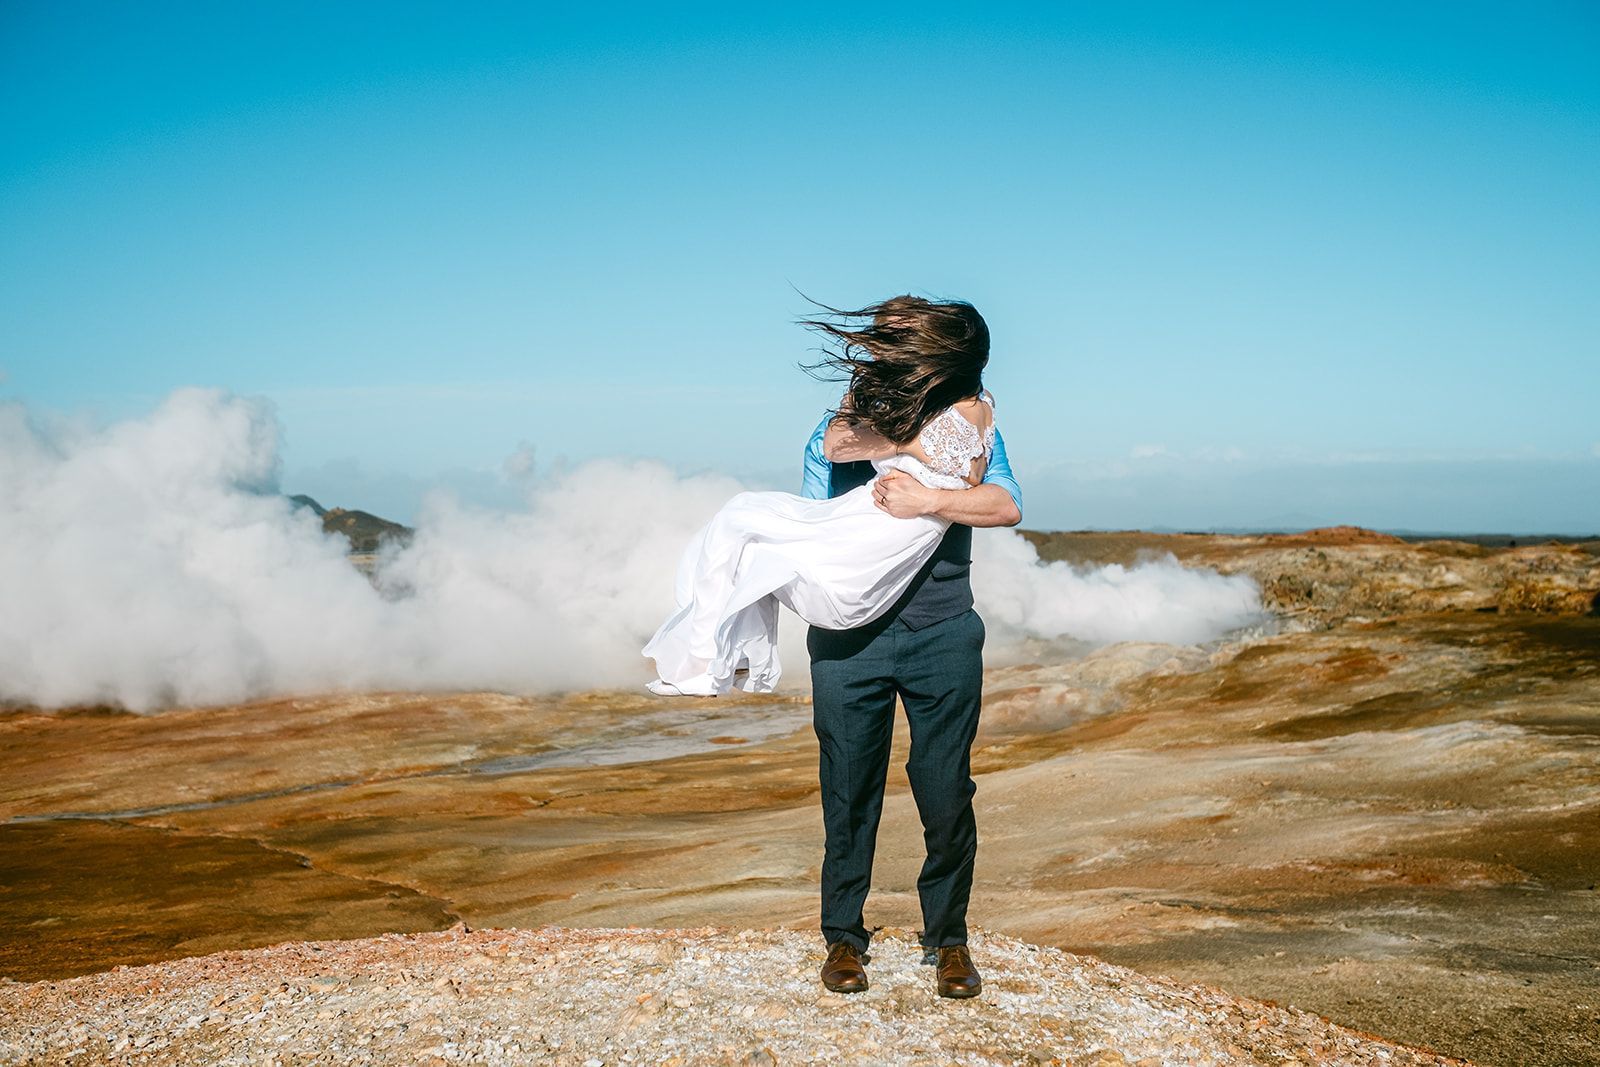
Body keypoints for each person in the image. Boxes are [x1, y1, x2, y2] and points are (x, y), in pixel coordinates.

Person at [640, 294, 1022, 998]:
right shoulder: (847, 416)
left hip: (943, 632)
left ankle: (950, 939)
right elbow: (840, 449)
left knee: (945, 792)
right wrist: (903, 439)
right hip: (852, 643)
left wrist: (927, 500)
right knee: (848, 791)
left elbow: (1002, 504)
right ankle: (844, 939)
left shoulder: (971, 418)